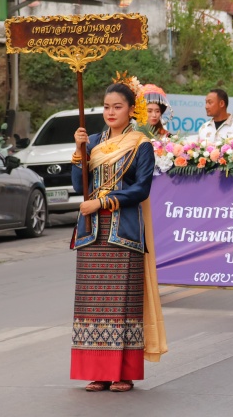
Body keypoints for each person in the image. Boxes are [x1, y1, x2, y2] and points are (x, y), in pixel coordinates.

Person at [70, 78, 167, 392]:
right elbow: (79, 185)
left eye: (117, 107)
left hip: (123, 232)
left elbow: (141, 189)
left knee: (122, 305)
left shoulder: (141, 144)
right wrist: (79, 152)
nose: (110, 112)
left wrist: (102, 202)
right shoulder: (92, 142)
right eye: (106, 107)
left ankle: (122, 373)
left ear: (130, 110)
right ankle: (97, 372)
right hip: (91, 233)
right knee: (92, 305)